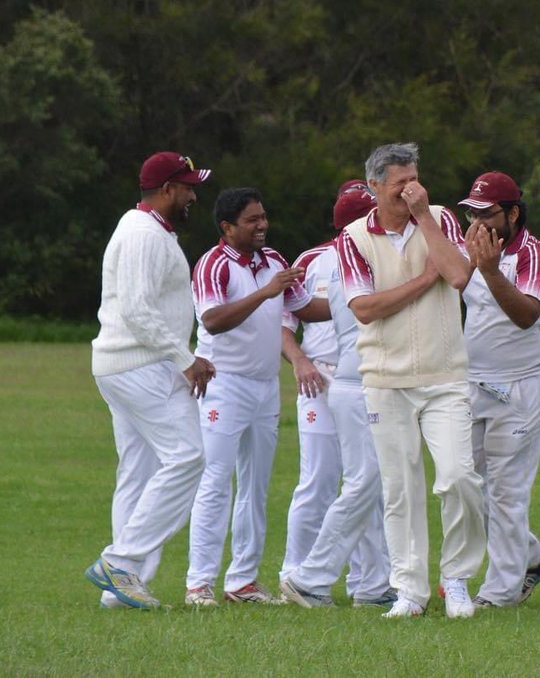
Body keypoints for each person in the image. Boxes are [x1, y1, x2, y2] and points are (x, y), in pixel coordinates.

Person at [336, 142, 486, 619]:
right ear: (375, 186)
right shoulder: (353, 238)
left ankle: (456, 581)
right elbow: (365, 308)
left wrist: (424, 219)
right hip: (385, 378)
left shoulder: (438, 218)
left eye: (415, 179)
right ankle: (409, 592)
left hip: (446, 375)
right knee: (400, 488)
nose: (411, 190)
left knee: (460, 476)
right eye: (400, 183)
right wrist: (424, 281)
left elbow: (460, 275)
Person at [184, 187, 329, 606]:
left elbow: (306, 310)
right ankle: (199, 584)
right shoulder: (214, 264)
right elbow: (212, 321)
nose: (262, 224)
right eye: (252, 220)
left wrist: (355, 301)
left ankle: (242, 581)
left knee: (255, 485)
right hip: (223, 384)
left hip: (265, 388)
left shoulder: (275, 262)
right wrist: (267, 292)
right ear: (227, 227)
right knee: (215, 482)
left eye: (263, 216)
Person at [85, 152, 215, 609]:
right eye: (187, 187)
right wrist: (187, 359)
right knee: (187, 457)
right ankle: (120, 561)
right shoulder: (143, 234)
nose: (193, 195)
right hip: (139, 364)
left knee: (138, 473)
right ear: (165, 190)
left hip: (127, 364)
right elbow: (138, 310)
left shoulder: (151, 230)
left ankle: (120, 592)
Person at [279, 181, 394, 609]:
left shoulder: (379, 257)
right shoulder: (312, 259)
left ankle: (369, 583)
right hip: (320, 379)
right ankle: (296, 573)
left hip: (364, 377)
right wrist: (300, 362)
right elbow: (285, 321)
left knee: (366, 484)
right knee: (320, 481)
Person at [455, 172, 540, 607]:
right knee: (462, 480)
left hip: (524, 385)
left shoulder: (536, 256)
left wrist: (489, 269)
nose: (478, 222)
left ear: (513, 213)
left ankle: (500, 592)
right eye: (471, 213)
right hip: (475, 381)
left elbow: (524, 315)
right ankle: (531, 557)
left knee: (506, 489)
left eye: (488, 213)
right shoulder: (472, 248)